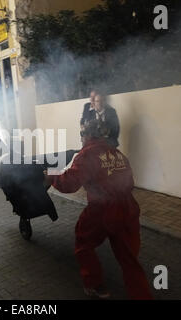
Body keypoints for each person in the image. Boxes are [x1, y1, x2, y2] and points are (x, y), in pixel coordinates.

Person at [44, 120, 153, 300]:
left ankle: (95, 285)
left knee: (83, 243)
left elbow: (69, 183)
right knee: (129, 261)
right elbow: (130, 181)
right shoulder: (117, 154)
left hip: (102, 210)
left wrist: (51, 176)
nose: (80, 138)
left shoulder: (86, 155)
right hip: (128, 209)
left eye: (81, 134)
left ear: (86, 135)